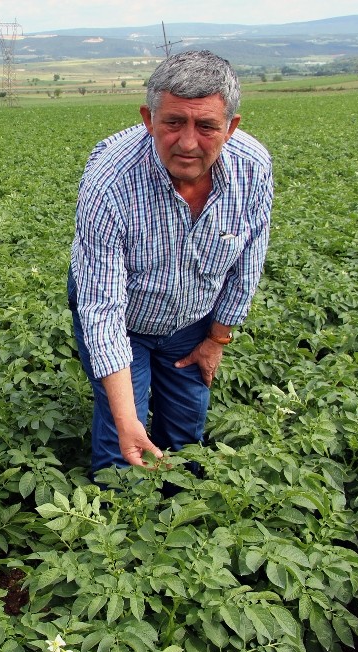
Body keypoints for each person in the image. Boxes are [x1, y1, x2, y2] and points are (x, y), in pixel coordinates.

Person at [67, 50, 273, 476]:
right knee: (122, 444)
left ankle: (181, 506)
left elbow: (249, 258)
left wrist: (216, 339)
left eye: (207, 126)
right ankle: (118, 505)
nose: (188, 143)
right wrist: (127, 419)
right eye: (173, 122)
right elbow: (102, 309)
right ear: (149, 119)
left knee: (186, 433)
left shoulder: (252, 168)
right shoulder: (110, 182)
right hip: (124, 320)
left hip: (193, 319)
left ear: (231, 127)